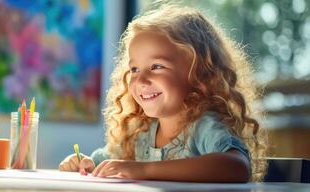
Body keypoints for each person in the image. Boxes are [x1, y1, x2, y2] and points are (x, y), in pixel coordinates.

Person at [59, 4, 268, 182]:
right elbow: (107, 162)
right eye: (134, 69)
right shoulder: (141, 133)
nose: (140, 80)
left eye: (157, 66)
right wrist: (84, 162)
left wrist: (144, 170)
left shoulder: (203, 127)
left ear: (199, 73)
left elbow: (237, 167)